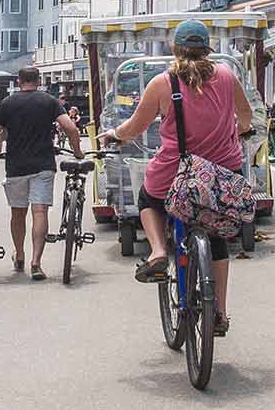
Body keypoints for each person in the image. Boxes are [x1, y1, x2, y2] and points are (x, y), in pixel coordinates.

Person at [97, 21, 252, 335]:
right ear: (207, 48)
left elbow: (135, 127)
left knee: (148, 199)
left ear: (174, 48)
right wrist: (239, 133)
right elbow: (246, 116)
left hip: (177, 171)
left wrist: (114, 135)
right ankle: (219, 312)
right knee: (217, 237)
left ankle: (157, 251)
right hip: (222, 173)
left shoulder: (163, 83)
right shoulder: (226, 76)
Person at [0, 67, 82, 280]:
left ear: (19, 80)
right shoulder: (50, 102)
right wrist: (78, 151)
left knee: (18, 213)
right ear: (39, 80)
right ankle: (36, 262)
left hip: (17, 165)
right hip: (43, 163)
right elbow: (71, 128)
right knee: (40, 212)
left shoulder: (8, 103)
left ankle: (20, 255)